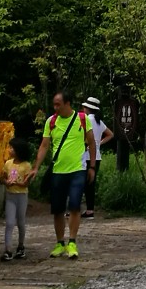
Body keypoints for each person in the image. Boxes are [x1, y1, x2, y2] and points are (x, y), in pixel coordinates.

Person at [34, 87, 97, 260]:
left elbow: (91, 143)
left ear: (67, 103)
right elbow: (44, 145)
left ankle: (72, 241)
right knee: (57, 209)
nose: (55, 107)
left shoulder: (82, 119)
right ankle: (60, 242)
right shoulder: (51, 122)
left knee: (75, 205)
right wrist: (36, 167)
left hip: (78, 170)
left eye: (58, 104)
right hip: (58, 171)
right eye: (54, 104)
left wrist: (92, 167)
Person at [0, 132, 34, 262]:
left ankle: (20, 246)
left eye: (12, 148)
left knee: (20, 222)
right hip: (10, 195)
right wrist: (6, 182)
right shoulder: (8, 163)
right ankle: (8, 249)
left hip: (21, 196)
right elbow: (3, 176)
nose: (10, 150)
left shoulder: (26, 165)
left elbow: (26, 183)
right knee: (9, 223)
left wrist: (17, 183)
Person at [80, 96, 114, 219]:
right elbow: (111, 134)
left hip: (84, 156)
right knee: (91, 184)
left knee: (79, 182)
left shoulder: (84, 120)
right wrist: (99, 143)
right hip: (97, 157)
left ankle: (74, 209)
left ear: (88, 108)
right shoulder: (99, 121)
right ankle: (90, 210)